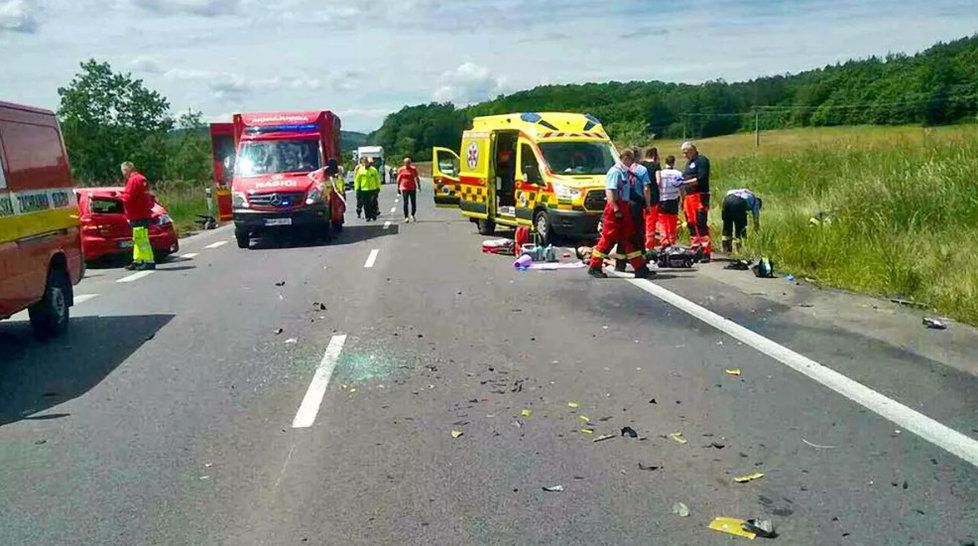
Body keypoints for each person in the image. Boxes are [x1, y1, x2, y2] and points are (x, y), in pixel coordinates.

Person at [586, 149, 653, 279]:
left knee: (629, 237)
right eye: (631, 160)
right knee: (608, 238)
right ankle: (595, 266)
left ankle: (640, 267)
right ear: (626, 158)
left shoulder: (624, 172)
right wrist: (616, 208)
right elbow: (610, 191)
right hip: (615, 208)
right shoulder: (615, 172)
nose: (632, 163)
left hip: (624, 206)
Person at [120, 162, 156, 271]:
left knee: (142, 239)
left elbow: (128, 198)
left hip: (137, 215)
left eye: (124, 171)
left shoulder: (133, 180)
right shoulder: (142, 179)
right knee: (137, 239)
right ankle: (138, 260)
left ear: (127, 170)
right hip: (144, 213)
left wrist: (119, 197)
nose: (123, 174)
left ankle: (148, 261)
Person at [680, 141, 713, 262]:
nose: (684, 155)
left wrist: (685, 183)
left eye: (686, 152)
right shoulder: (689, 162)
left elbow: (701, 178)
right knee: (691, 223)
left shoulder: (702, 161)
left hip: (700, 196)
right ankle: (695, 247)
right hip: (689, 197)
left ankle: (705, 251)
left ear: (692, 150)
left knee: (700, 222)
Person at [721, 188, 762, 253]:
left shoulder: (745, 192)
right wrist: (757, 230)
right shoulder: (756, 201)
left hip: (727, 200)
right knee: (740, 228)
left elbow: (728, 192)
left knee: (727, 226)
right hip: (739, 203)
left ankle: (726, 249)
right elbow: (756, 218)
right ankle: (740, 250)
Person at [657, 155, 685, 247]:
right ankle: (672, 241)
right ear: (673, 162)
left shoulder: (660, 173)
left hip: (663, 200)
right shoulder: (678, 173)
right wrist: (683, 200)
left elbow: (658, 186)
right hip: (674, 200)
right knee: (672, 222)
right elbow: (681, 188)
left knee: (663, 222)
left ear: (665, 162)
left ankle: (665, 241)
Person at [639, 147, 661, 252]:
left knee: (641, 222)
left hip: (641, 197)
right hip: (653, 197)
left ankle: (640, 244)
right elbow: (658, 181)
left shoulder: (641, 165)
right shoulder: (656, 165)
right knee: (650, 224)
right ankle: (649, 246)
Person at [354, 156, 381, 221]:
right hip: (364, 189)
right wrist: (357, 188)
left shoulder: (373, 170)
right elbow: (357, 180)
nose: (366, 163)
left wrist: (378, 188)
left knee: (373, 203)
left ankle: (374, 215)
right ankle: (367, 216)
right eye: (364, 162)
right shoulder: (360, 170)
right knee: (366, 204)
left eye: (367, 162)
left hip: (373, 189)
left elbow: (377, 179)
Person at [397, 157, 420, 222]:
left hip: (412, 187)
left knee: (413, 202)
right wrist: (398, 188)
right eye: (406, 163)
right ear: (404, 163)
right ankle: (406, 217)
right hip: (404, 187)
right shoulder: (401, 169)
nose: (408, 164)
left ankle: (412, 215)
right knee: (405, 202)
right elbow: (399, 179)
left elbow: (417, 177)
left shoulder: (413, 169)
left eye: (409, 163)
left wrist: (419, 186)